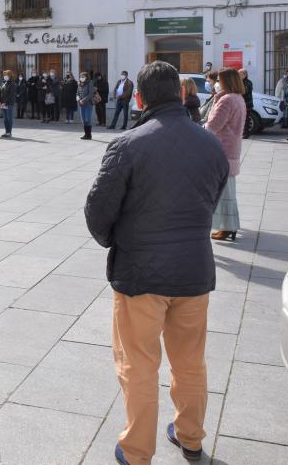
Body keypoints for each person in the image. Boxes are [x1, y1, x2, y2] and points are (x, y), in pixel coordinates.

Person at [85, 61, 228, 465]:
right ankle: (190, 435)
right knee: (190, 362)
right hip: (193, 270)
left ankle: (136, 450)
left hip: (140, 274)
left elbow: (98, 211)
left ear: (139, 97)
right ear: (181, 94)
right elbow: (211, 200)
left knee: (139, 364)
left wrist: (117, 241)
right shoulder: (210, 143)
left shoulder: (128, 145)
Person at [205, 68, 247, 241]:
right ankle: (227, 226)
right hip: (231, 148)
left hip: (222, 149)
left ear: (226, 82)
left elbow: (213, 126)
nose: (216, 84)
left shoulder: (227, 100)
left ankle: (228, 227)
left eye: (218, 81)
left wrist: (199, 130)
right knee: (226, 190)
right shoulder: (238, 98)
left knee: (224, 193)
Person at [77, 71, 95, 140]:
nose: (81, 78)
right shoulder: (79, 84)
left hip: (88, 104)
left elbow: (90, 94)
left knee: (87, 119)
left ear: (86, 77)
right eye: (81, 76)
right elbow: (77, 93)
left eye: (83, 76)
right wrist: (78, 98)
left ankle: (89, 135)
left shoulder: (90, 83)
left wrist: (83, 100)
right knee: (84, 120)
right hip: (81, 105)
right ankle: (85, 134)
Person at [0, 69, 17, 138]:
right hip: (3, 103)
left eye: (6, 75)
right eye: (4, 75)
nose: (5, 76)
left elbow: (11, 95)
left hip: (9, 103)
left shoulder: (12, 84)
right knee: (5, 118)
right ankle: (6, 132)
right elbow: (0, 92)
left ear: (10, 76)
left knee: (9, 118)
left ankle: (9, 132)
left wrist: (5, 102)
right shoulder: (3, 83)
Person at [239, 69, 255, 139]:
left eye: (240, 74)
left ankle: (246, 133)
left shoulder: (248, 82)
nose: (239, 75)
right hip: (241, 103)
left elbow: (244, 92)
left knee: (246, 119)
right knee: (241, 119)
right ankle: (242, 132)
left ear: (245, 75)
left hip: (247, 104)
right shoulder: (240, 82)